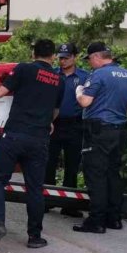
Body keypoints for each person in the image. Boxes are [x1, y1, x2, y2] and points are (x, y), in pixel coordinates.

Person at [0, 39, 63, 248]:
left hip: (14, 135)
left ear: (33, 53)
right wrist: (48, 122)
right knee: (35, 188)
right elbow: (55, 111)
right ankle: (34, 236)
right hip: (39, 139)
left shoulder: (24, 70)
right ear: (53, 56)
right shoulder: (60, 80)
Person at [73, 42, 127, 233]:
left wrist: (78, 92)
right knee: (112, 173)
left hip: (98, 130)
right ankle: (113, 218)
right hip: (119, 129)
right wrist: (118, 115)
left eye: (90, 59)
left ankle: (96, 221)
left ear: (97, 57)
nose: (90, 63)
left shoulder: (99, 74)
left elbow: (85, 101)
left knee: (96, 175)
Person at [45, 43, 89, 219]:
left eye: (66, 57)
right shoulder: (52, 74)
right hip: (54, 124)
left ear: (75, 57)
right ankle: (47, 200)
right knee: (49, 162)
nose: (63, 61)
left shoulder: (85, 77)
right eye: (60, 57)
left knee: (72, 165)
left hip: (75, 125)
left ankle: (69, 205)